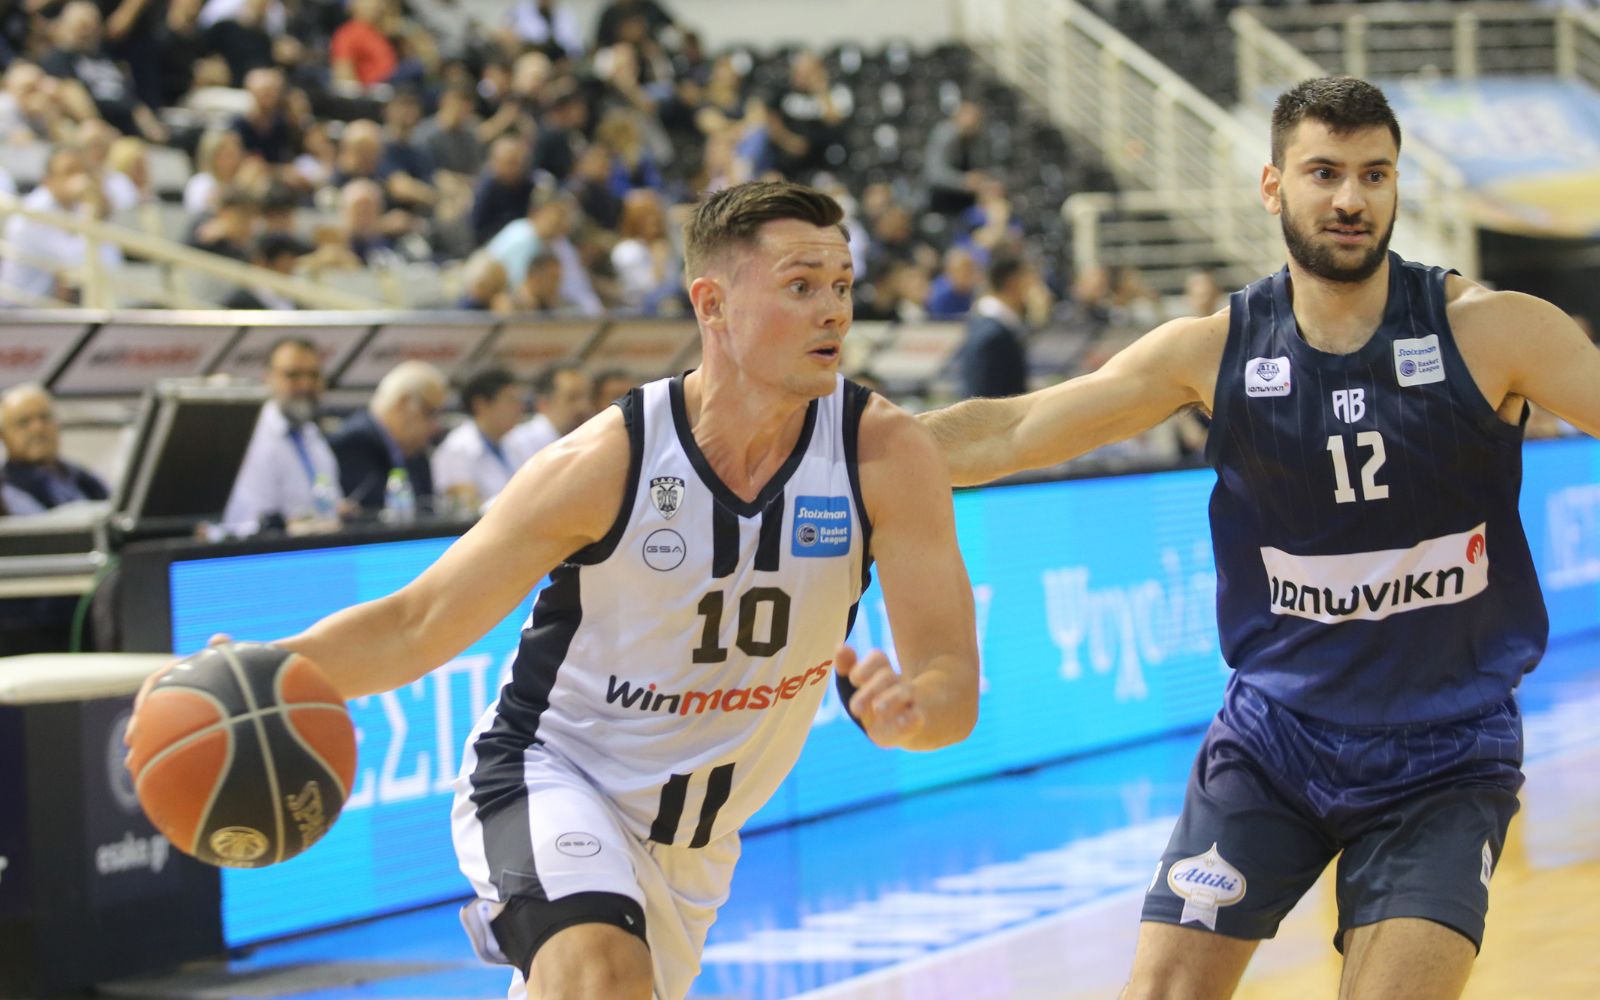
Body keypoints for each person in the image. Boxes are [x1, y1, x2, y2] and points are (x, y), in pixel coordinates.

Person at [132, 180, 980, 1000]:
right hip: (550, 772)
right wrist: (263, 671)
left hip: (696, 848)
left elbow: (951, 693)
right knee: (600, 975)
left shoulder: (883, 454)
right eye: (801, 286)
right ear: (712, 305)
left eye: (842, 285)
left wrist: (912, 715)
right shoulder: (609, 459)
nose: (834, 310)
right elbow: (417, 622)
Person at [919, 76, 1600, 1000]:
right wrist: (848, 448)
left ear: (1398, 186)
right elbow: (1014, 430)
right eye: (1324, 172)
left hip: (1446, 753)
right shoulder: (1215, 348)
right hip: (1276, 739)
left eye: (1374, 174)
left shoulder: (1492, 331)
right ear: (1273, 185)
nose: (1351, 198)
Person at [223, 338, 341, 528]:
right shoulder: (252, 437)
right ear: (268, 378)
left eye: (313, 375)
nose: (305, 385)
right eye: (293, 375)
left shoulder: (311, 435)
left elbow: (330, 501)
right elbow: (252, 520)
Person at [330, 360, 445, 515]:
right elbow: (370, 512)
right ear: (402, 404)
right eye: (430, 413)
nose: (436, 427)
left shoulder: (414, 451)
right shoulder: (355, 444)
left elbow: (428, 507)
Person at [431, 366, 526, 512]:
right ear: (480, 405)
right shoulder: (457, 449)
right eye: (510, 401)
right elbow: (467, 506)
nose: (519, 408)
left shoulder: (514, 443)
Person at [955, 252, 1034, 400]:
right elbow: (984, 398)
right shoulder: (993, 335)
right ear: (1014, 283)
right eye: (1030, 282)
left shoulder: (988, 324)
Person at [502, 360, 592, 465]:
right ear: (544, 403)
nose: (584, 406)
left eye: (588, 397)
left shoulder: (586, 439)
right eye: (572, 398)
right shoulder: (518, 443)